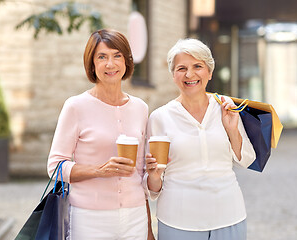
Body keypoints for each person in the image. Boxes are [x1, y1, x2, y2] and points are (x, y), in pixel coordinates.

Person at [144, 38, 256, 240]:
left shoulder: (226, 106)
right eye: (181, 68)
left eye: (198, 66)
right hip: (178, 221)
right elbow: (152, 188)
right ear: (173, 75)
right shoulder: (160, 117)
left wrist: (232, 129)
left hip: (229, 216)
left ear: (210, 72)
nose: (189, 74)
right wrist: (153, 175)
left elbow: (246, 159)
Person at [47, 29, 154, 240]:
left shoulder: (140, 108)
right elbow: (55, 167)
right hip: (89, 219)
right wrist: (99, 170)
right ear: (92, 64)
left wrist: (149, 227)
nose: (110, 64)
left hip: (135, 217)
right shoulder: (75, 106)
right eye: (102, 57)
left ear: (126, 61)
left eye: (117, 56)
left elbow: (140, 175)